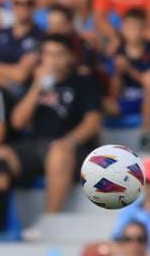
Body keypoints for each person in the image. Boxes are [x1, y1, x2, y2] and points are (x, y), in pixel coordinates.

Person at [8, 34, 102, 214]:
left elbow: (93, 121)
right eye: (49, 54)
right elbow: (18, 122)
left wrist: (70, 140)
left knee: (58, 152)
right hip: (36, 145)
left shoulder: (82, 82)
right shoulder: (34, 82)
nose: (53, 60)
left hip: (71, 148)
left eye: (59, 54)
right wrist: (37, 86)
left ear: (70, 57)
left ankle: (49, 219)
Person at [107, 8, 150, 151]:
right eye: (129, 27)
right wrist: (118, 73)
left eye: (137, 27)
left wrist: (129, 70)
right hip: (126, 99)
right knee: (102, 102)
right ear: (122, 28)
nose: (133, 32)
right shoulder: (117, 51)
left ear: (144, 29)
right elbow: (114, 91)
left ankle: (147, 135)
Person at [0, 0, 42, 108]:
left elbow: (20, 75)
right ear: (11, 5)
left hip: (21, 99)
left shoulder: (41, 37)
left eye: (29, 3)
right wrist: (6, 79)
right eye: (18, 3)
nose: (23, 7)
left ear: (35, 5)